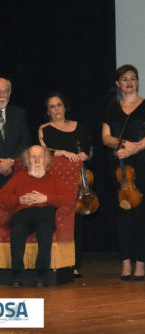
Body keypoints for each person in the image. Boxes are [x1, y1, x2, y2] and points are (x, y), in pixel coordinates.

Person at [102, 64, 145, 281]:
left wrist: (134, 147)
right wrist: (122, 145)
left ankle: (141, 264)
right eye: (124, 79)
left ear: (137, 81)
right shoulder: (111, 108)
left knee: (142, 216)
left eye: (133, 78)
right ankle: (125, 262)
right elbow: (105, 137)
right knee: (122, 217)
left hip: (143, 163)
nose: (129, 82)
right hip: (119, 167)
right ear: (118, 83)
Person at [0, 145, 74, 287]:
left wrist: (46, 198)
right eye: (33, 157)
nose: (37, 160)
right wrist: (19, 200)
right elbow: (2, 197)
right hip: (22, 213)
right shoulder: (19, 178)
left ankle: (42, 273)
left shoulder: (54, 179)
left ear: (46, 160)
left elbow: (70, 199)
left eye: (40, 156)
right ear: (28, 161)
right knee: (17, 231)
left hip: (45, 213)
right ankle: (17, 273)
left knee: (45, 230)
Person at [38, 92, 90, 278]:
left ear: (64, 107)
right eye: (52, 106)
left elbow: (87, 151)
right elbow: (41, 152)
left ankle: (73, 264)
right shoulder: (44, 129)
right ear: (47, 111)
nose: (56, 109)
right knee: (55, 221)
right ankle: (56, 262)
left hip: (78, 181)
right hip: (54, 182)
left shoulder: (79, 127)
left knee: (76, 223)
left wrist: (84, 155)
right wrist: (60, 152)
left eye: (59, 105)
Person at [0, 77, 31, 187]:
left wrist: (11, 161)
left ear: (10, 93)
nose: (2, 95)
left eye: (6, 91)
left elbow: (26, 142)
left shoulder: (19, 114)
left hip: (15, 174)